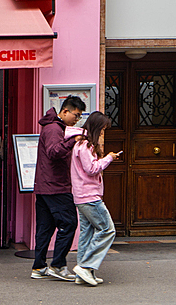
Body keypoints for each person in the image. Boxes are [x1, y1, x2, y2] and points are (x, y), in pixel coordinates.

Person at [31, 95, 86, 281]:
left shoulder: (52, 127)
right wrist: (73, 140)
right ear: (65, 111)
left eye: (79, 117)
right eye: (76, 115)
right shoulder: (55, 129)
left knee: (45, 228)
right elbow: (55, 152)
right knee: (69, 223)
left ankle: (39, 267)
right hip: (56, 186)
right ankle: (58, 265)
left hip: (45, 186)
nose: (77, 119)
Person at [70, 111, 120, 286]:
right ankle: (85, 266)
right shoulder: (84, 146)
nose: (103, 133)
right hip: (89, 196)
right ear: (97, 128)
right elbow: (91, 169)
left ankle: (84, 273)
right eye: (103, 129)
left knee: (87, 233)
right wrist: (109, 158)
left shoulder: (82, 144)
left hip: (82, 195)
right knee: (107, 229)